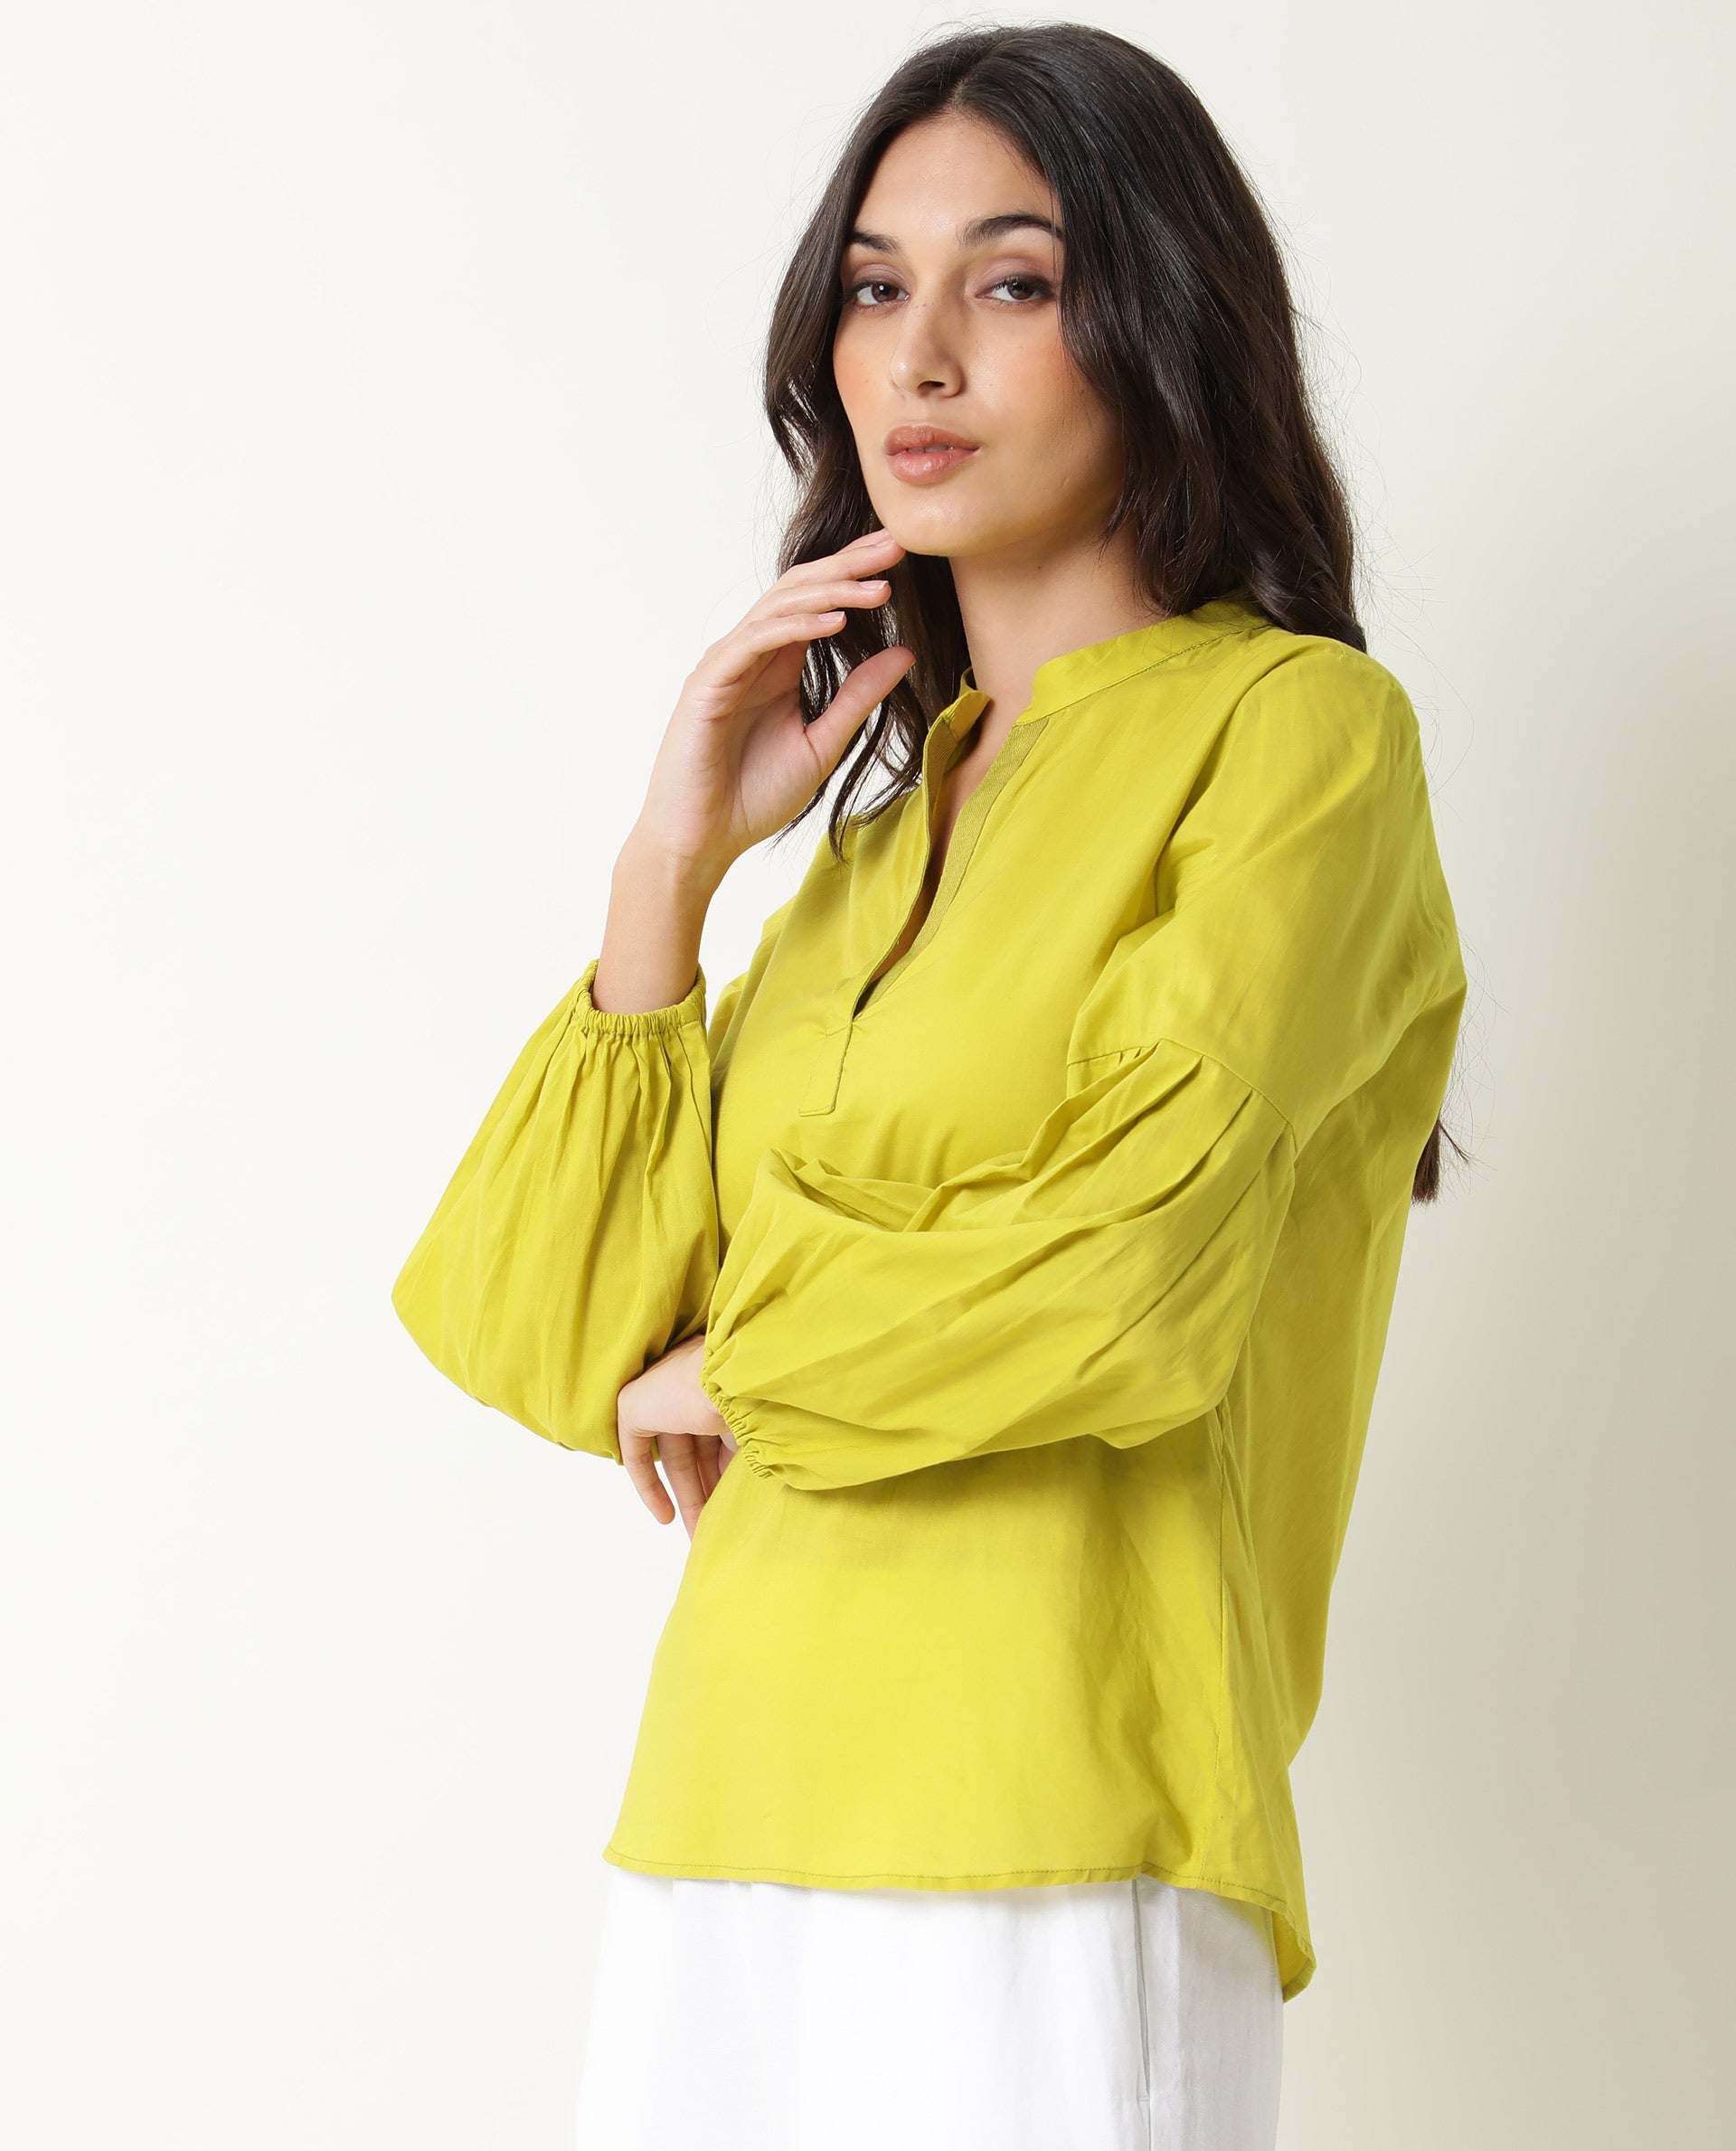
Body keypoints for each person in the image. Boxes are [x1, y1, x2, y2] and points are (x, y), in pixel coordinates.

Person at [392, 23, 1467, 2151]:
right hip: (723, 1814)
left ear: (1158, 318)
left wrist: (743, 1363)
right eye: (877, 285)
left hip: (1062, 1808)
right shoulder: (860, 855)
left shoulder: (1300, 739)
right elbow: (550, 1323)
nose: (923, 355)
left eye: (1015, 279)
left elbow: (1126, 1278)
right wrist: (670, 866)